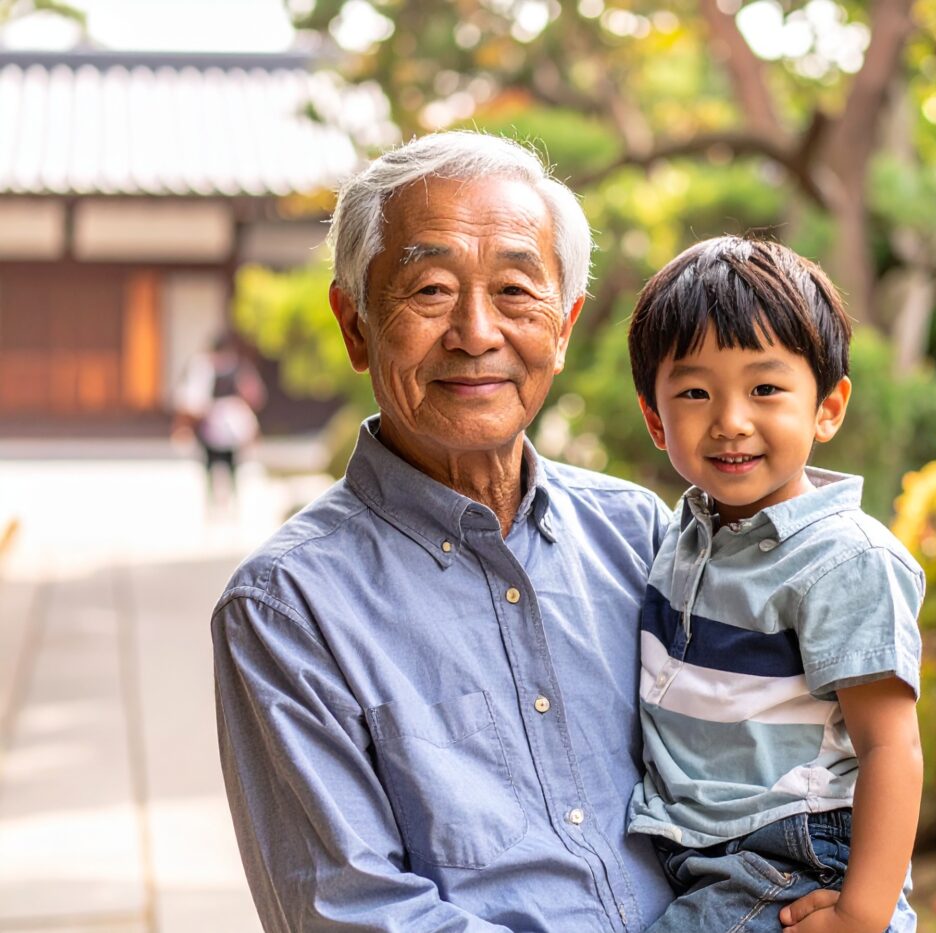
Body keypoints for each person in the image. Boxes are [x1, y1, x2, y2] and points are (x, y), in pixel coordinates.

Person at [211, 131, 680, 932]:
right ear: (355, 323)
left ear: (563, 327)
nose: (475, 332)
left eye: (514, 292)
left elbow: (757, 764)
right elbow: (351, 911)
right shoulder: (287, 606)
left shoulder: (638, 535)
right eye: (429, 289)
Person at [625, 237, 924, 933]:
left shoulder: (842, 559)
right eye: (695, 392)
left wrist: (861, 913)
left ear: (827, 406)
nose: (731, 420)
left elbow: (892, 747)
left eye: (765, 388)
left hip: (791, 852)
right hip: (699, 845)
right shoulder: (686, 535)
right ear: (653, 417)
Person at [174, 331, 265, 510]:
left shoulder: (204, 366)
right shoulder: (234, 367)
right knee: (231, 471)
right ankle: (228, 505)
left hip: (213, 427)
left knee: (212, 469)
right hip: (227, 428)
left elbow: (191, 400)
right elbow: (255, 397)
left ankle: (214, 505)